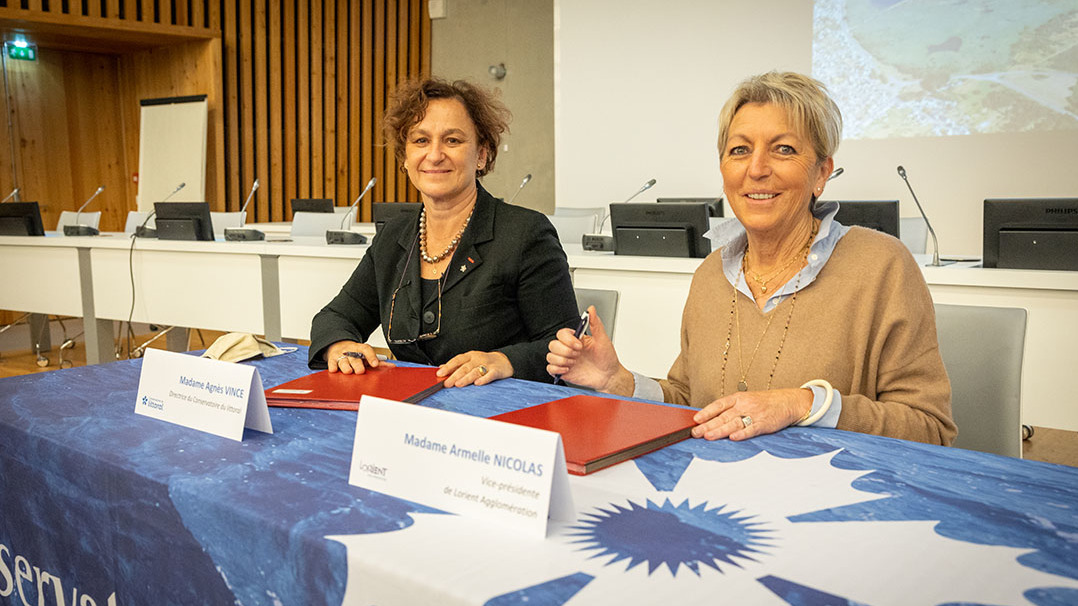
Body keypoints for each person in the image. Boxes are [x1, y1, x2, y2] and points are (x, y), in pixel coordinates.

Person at [547, 72, 956, 445]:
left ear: (821, 173)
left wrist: (804, 404)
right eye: (740, 150)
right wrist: (617, 381)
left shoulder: (882, 265)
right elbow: (691, 400)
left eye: (783, 149)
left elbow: (931, 429)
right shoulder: (711, 273)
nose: (757, 169)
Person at [310, 78, 579, 387]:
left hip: (501, 416)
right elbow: (335, 317)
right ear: (405, 157)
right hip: (410, 414)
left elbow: (565, 345)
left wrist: (504, 361)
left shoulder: (525, 234)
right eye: (421, 140)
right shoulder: (393, 236)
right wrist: (340, 345)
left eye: (452, 140)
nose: (435, 154)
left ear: (481, 155)